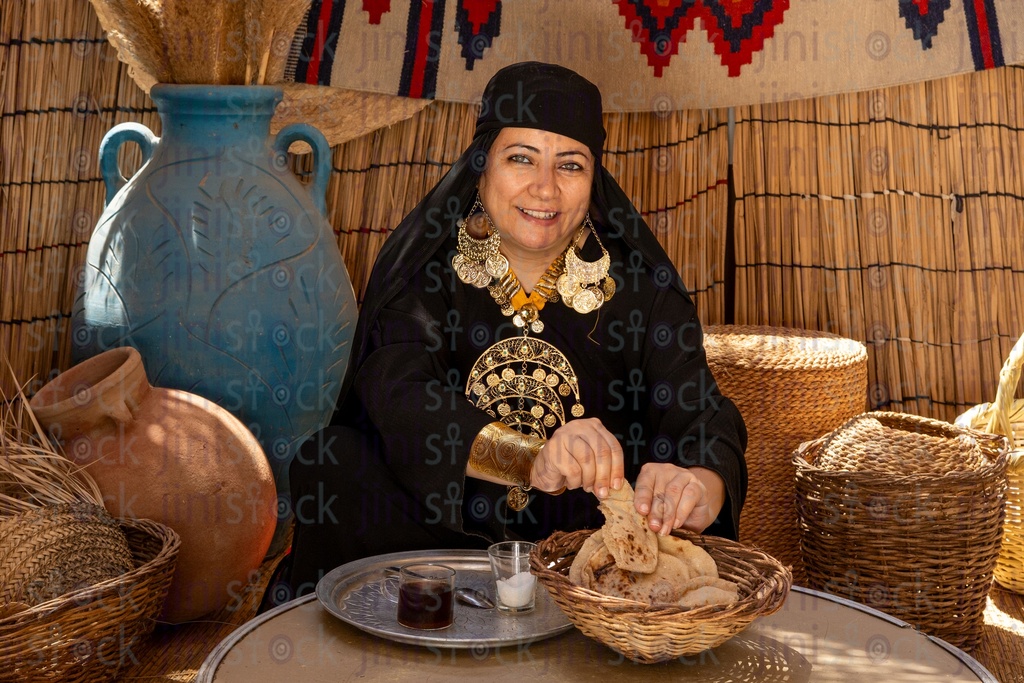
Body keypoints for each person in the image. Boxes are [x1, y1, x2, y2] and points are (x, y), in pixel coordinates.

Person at [280, 62, 747, 599]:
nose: (544, 188)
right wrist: (534, 458)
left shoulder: (643, 293)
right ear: (482, 169)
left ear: (593, 183)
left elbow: (703, 417)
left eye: (569, 165)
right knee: (331, 461)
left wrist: (699, 485)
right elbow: (398, 396)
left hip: (587, 546)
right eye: (521, 158)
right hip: (448, 541)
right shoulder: (428, 277)